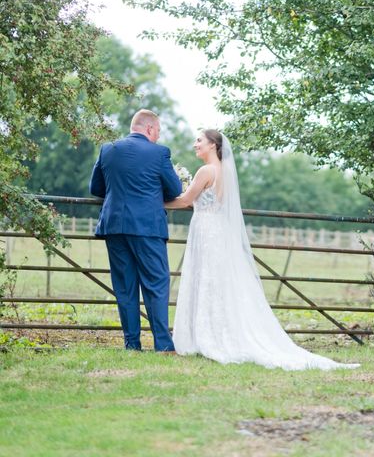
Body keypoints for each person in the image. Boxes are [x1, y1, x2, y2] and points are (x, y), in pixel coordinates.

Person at [165, 129, 359, 370]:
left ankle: (206, 337)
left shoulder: (206, 171)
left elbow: (185, 201)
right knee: (217, 282)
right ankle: (214, 333)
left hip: (206, 230)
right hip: (219, 232)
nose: (195, 144)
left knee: (206, 280)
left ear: (213, 145)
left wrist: (155, 202)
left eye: (199, 141)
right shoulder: (225, 172)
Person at [90, 109, 182, 352]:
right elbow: (174, 190)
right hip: (147, 227)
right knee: (156, 283)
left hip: (115, 226)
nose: (158, 136)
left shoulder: (108, 149)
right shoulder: (159, 153)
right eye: (158, 131)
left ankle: (132, 344)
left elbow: (96, 187)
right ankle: (163, 344)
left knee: (125, 286)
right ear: (150, 129)